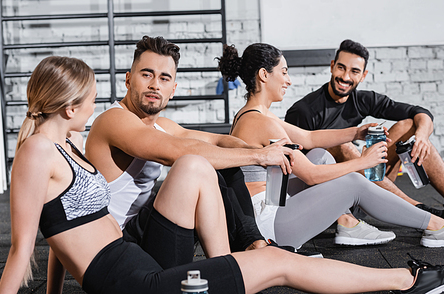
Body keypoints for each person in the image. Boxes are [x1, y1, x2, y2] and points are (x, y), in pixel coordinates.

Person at [0, 55, 444, 294]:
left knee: (263, 249)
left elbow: (60, 237)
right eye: (91, 97)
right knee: (278, 264)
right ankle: (407, 280)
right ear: (71, 103)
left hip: (132, 265)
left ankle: (235, 266)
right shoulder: (39, 151)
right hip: (131, 282)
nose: (95, 105)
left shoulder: (66, 148)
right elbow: (23, 251)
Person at [218, 42, 444, 249]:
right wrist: (363, 162)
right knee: (354, 183)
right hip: (269, 227)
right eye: (283, 72)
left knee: (319, 154)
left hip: (270, 206)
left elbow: (310, 139)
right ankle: (436, 226)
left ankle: (348, 224)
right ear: (264, 75)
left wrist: (357, 132)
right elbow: (312, 176)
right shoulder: (259, 121)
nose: (289, 80)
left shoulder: (255, 114)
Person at [85, 36, 298, 253]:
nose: (155, 85)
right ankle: (250, 248)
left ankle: (253, 245)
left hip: (146, 234)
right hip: (120, 245)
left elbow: (217, 140)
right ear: (128, 80)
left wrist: (259, 150)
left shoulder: (162, 126)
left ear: (173, 89)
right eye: (147, 74)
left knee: (221, 159)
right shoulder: (114, 120)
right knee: (200, 165)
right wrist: (259, 157)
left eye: (164, 78)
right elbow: (179, 152)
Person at [285, 39, 444, 223]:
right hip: (333, 194)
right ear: (332, 67)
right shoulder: (304, 111)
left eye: (354, 71)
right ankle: (416, 208)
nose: (346, 77)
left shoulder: (363, 100)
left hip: (368, 180)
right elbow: (299, 172)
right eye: (341, 68)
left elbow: (420, 112)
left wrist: (422, 136)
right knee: (342, 145)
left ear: (363, 76)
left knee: (409, 126)